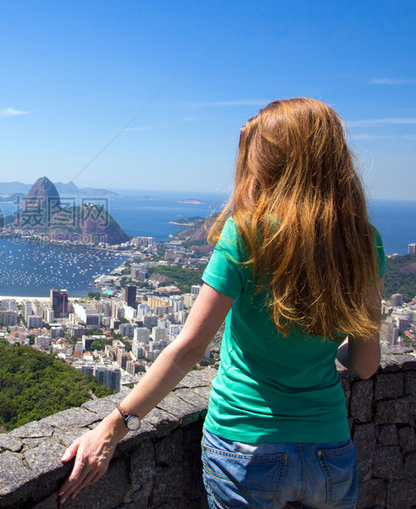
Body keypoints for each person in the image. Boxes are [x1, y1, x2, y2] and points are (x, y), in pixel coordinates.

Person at [58, 98, 385, 508]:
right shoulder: (365, 240)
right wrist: (314, 353)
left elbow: (190, 349)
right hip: (330, 452)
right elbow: (366, 364)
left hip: (246, 447)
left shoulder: (247, 233)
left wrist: (112, 427)